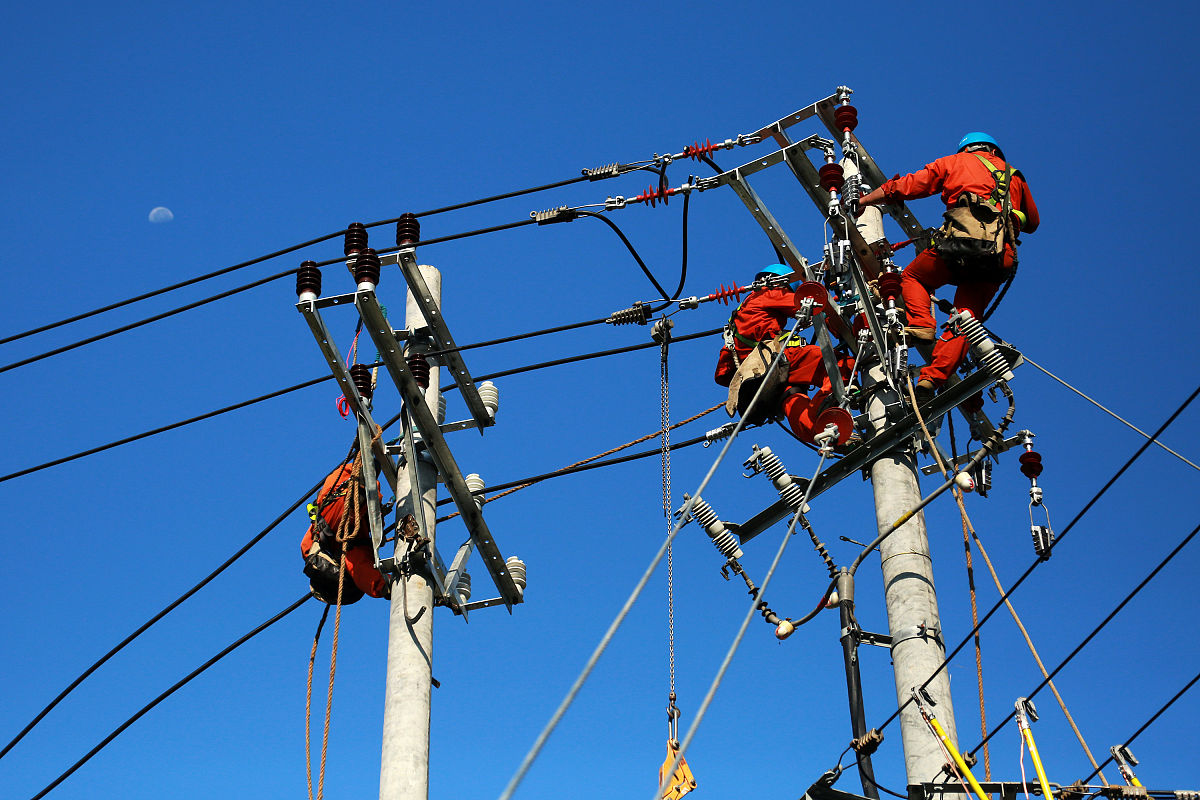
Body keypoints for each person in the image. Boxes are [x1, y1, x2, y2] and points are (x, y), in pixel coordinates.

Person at [857, 132, 1039, 397]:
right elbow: (1032, 223)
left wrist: (864, 200)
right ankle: (931, 380)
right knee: (967, 319)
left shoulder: (955, 162)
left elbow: (911, 185)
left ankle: (922, 324)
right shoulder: (1015, 176)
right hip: (1000, 255)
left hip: (961, 243)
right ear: (995, 151)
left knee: (913, 278)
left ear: (966, 149)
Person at [714, 264, 854, 444]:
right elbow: (806, 304)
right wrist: (833, 307)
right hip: (777, 360)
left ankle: (821, 434)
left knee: (792, 398)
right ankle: (826, 402)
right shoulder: (769, 293)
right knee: (839, 363)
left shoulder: (740, 313)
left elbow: (723, 374)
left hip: (760, 375)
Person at [301, 461, 388, 604]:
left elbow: (364, 573)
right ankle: (361, 475)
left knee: (345, 517)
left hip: (342, 505)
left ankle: (360, 485)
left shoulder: (346, 556)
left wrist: (387, 588)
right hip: (338, 492)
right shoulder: (309, 550)